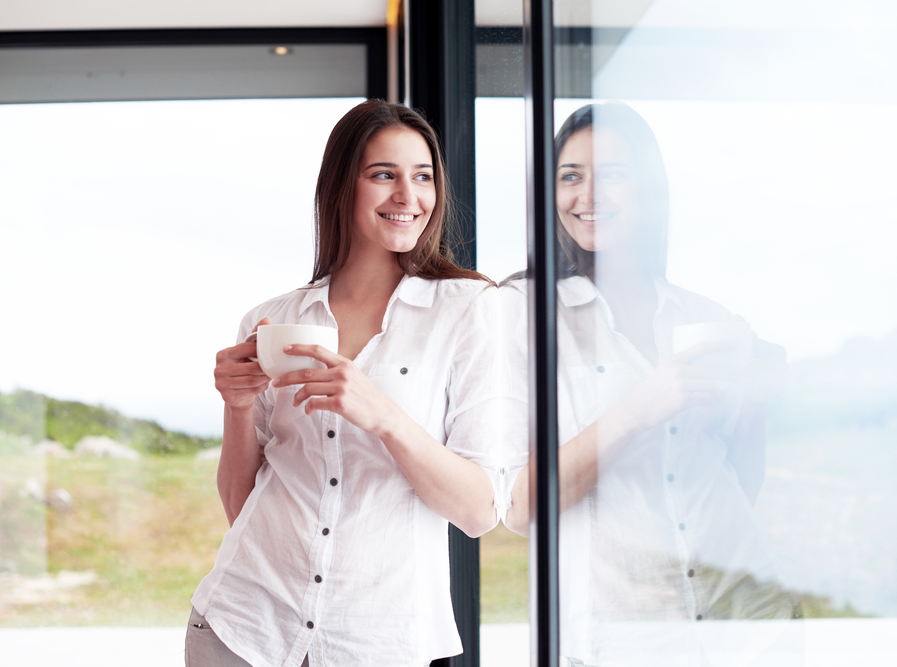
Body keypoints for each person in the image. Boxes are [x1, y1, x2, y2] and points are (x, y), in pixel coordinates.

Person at [186, 100, 502, 667]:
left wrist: (384, 416)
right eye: (383, 175)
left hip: (378, 642)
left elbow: (479, 511)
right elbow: (241, 506)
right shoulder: (273, 319)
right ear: (340, 186)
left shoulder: (468, 309)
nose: (408, 196)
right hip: (243, 628)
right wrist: (237, 406)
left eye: (422, 177)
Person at [502, 102, 799, 666]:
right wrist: (642, 407)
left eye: (613, 174)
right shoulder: (521, 312)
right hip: (621, 634)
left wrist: (757, 396)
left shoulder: (702, 315)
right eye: (571, 176)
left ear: (649, 188)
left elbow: (737, 478)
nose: (589, 195)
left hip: (750, 618)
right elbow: (520, 507)